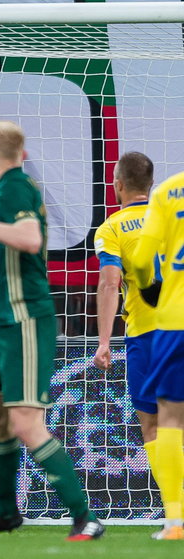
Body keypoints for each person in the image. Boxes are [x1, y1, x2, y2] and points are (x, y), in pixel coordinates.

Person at [0, 121, 103, 541]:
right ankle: (3, 512)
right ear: (22, 152)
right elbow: (12, 235)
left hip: (25, 321)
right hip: (0, 321)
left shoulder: (15, 185)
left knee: (26, 422)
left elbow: (30, 239)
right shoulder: (6, 192)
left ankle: (84, 516)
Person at [92, 152, 159, 489]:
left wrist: (104, 342)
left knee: (153, 427)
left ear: (117, 185)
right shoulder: (172, 221)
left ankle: (175, 510)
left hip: (146, 335)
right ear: (151, 184)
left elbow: (109, 282)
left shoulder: (112, 228)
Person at [133, 168, 184, 540]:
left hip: (175, 316)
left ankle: (176, 522)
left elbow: (141, 259)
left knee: (170, 418)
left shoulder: (167, 191)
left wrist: (152, 288)